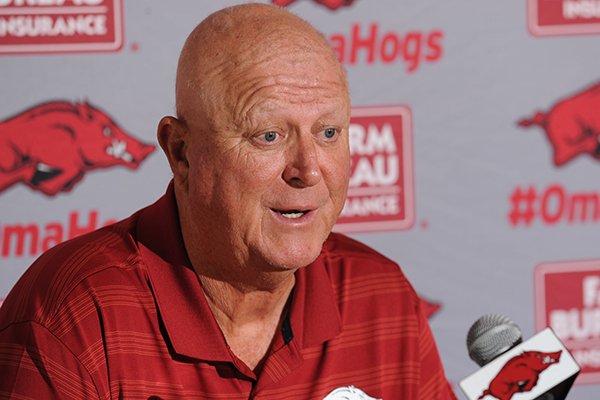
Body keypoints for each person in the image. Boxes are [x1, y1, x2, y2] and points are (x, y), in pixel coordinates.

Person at [0, 4, 456, 399]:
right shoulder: (72, 319)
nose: (309, 169)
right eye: (269, 136)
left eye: (328, 132)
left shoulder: (382, 298)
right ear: (181, 151)